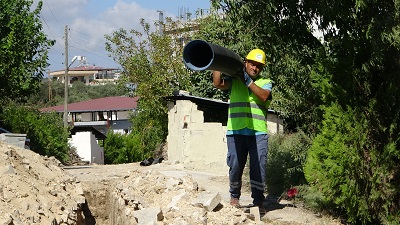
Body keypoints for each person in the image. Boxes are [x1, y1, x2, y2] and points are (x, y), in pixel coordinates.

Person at [212, 49, 272, 211]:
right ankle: (234, 197)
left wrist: (248, 82)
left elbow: (264, 96)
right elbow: (217, 83)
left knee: (258, 168)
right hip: (236, 131)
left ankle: (258, 201)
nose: (255, 68)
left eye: (259, 66)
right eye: (252, 63)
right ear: (245, 62)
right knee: (236, 165)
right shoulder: (234, 80)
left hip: (258, 134)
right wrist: (217, 63)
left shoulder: (265, 82)